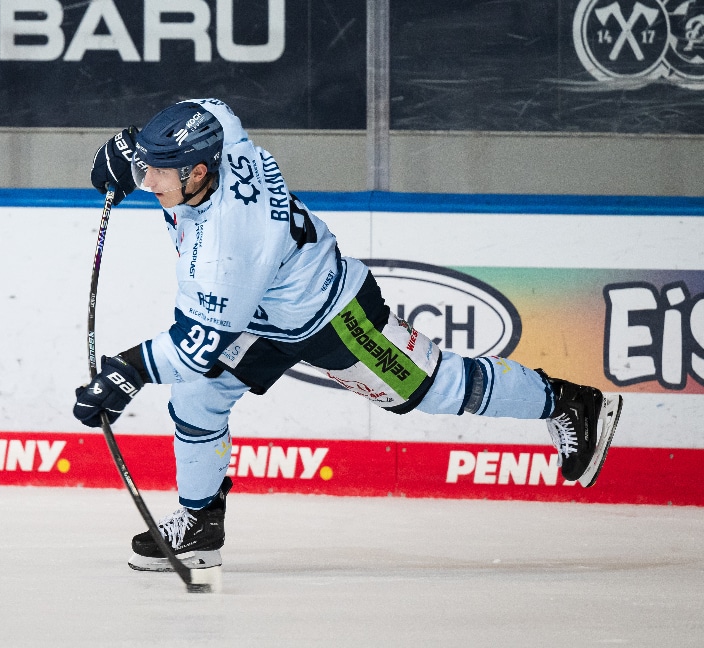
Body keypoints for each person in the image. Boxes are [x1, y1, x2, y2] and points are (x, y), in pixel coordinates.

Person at [73, 98, 623, 573]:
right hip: (262, 314)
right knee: (200, 392)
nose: (147, 183)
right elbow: (204, 110)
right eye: (147, 171)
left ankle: (569, 402)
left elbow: (199, 342)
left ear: (198, 174)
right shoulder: (218, 131)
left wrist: (127, 370)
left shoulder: (228, 244)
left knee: (435, 388)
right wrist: (131, 151)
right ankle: (198, 524)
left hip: (330, 316)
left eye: (159, 175)